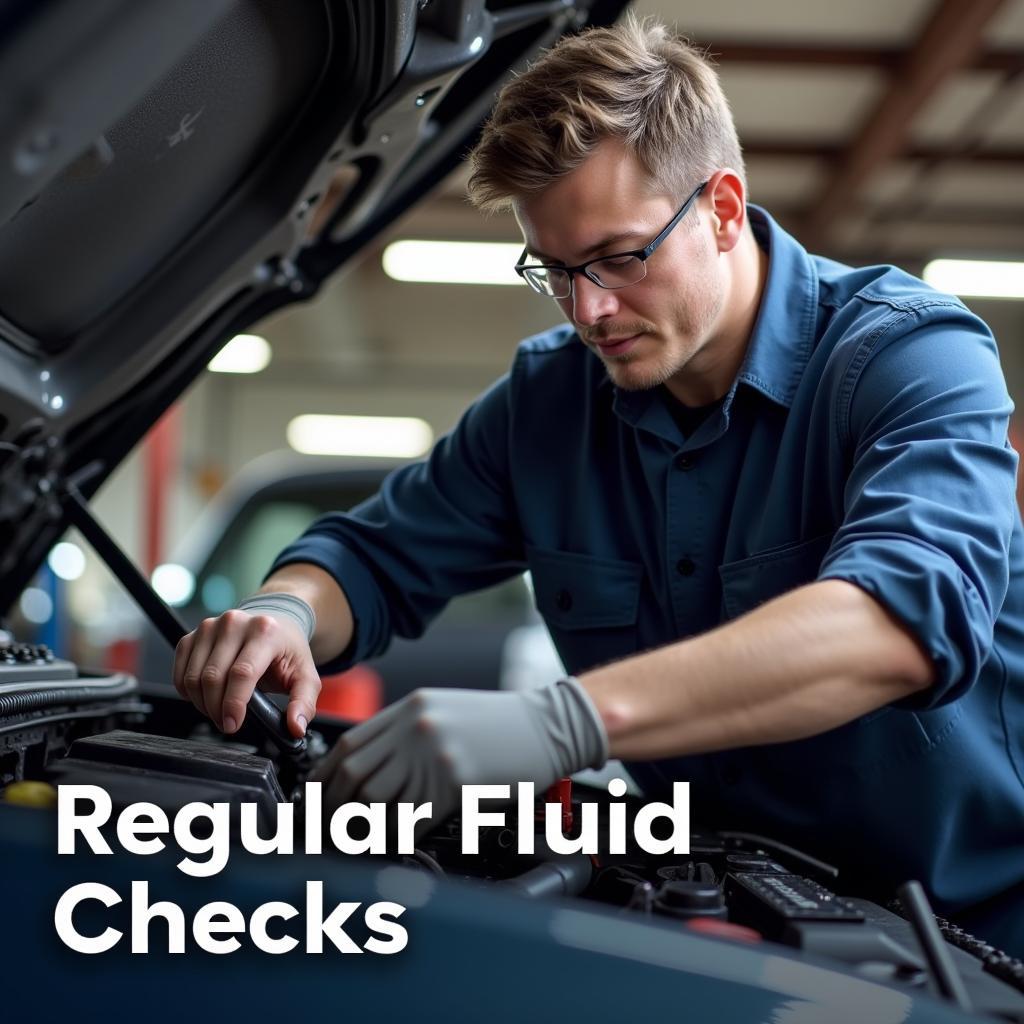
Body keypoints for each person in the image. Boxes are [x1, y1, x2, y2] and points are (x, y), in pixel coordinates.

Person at [173, 17, 1024, 954]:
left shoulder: (912, 359)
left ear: (725, 208)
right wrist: (284, 612)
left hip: (962, 945)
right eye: (558, 270)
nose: (590, 311)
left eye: (621, 257)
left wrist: (562, 723)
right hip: (710, 918)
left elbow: (900, 620)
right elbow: (370, 556)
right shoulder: (551, 402)